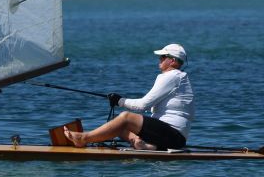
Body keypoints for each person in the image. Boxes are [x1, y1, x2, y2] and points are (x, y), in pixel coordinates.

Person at [65, 43, 194, 150]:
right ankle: (142, 144)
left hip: (173, 137)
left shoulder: (172, 77)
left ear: (172, 61)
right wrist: (120, 100)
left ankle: (83, 138)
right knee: (115, 124)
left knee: (125, 117)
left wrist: (120, 101)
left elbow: (143, 105)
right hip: (170, 137)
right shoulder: (177, 77)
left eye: (163, 56)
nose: (159, 59)